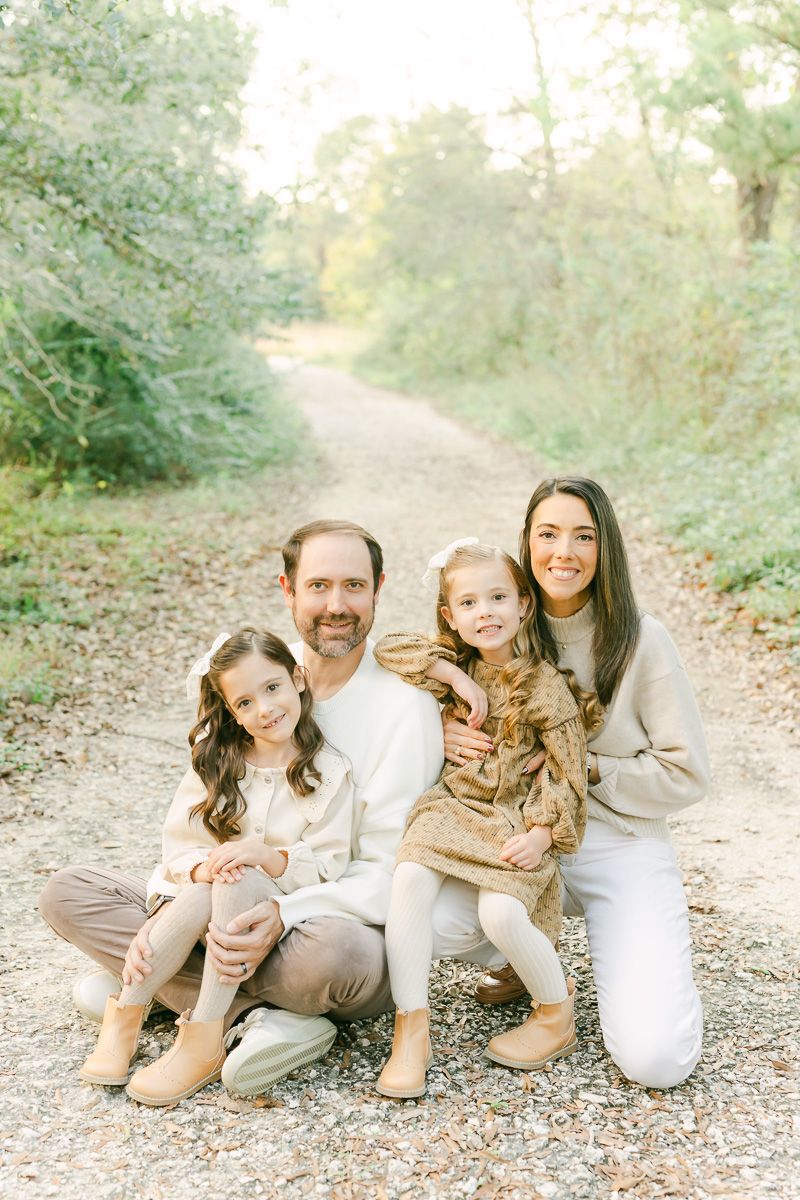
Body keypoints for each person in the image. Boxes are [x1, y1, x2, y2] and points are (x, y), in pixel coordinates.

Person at [39, 520, 443, 1096]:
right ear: (288, 590)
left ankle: (174, 992)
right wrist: (194, 889)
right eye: (318, 585)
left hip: (320, 934)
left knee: (340, 955)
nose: (336, 604)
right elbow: (185, 842)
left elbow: (390, 871)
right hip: (216, 912)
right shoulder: (254, 673)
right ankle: (258, 1018)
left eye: (354, 585)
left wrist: (284, 912)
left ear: (379, 588)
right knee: (67, 891)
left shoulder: (406, 707)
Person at [435, 478, 710, 1090]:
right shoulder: (497, 615)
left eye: (583, 535)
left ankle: (640, 963)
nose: (564, 551)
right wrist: (444, 730)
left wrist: (581, 764)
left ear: (604, 546)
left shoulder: (641, 639)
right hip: (511, 843)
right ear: (526, 543)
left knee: (655, 1061)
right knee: (423, 919)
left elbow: (688, 774)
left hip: (618, 844)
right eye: (548, 534)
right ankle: (532, 963)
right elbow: (411, 668)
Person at [77, 628, 354, 1106]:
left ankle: (196, 1030)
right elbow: (179, 851)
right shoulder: (215, 762)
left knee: (238, 876)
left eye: (272, 688)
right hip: (201, 911)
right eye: (245, 703)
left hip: (270, 928)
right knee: (72, 889)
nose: (265, 709)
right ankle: (131, 1016)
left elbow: (331, 865)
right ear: (231, 712)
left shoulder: (328, 771)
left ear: (298, 679)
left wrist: (265, 857)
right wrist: (205, 872)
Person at [373, 540, 595, 1099]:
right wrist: (455, 676)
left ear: (524, 604)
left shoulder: (546, 688)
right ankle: (411, 1029)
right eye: (468, 603)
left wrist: (544, 832)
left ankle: (555, 1010)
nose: (485, 613)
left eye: (498, 597)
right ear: (451, 617)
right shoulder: (457, 664)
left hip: (514, 819)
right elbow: (387, 648)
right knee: (410, 878)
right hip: (452, 806)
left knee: (501, 915)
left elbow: (569, 774)